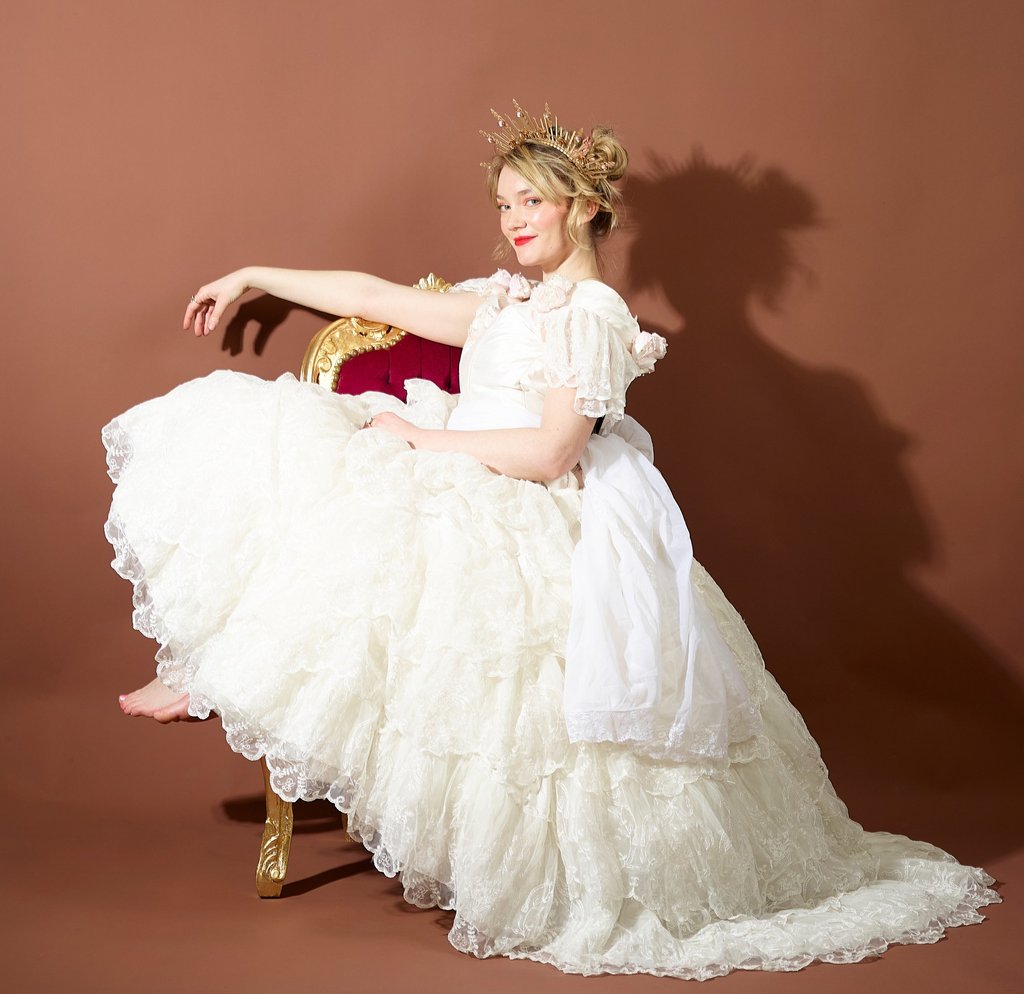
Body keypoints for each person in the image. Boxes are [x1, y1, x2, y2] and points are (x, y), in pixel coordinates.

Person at [104, 101, 999, 980]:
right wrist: (256, 273)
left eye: (533, 200)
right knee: (304, 446)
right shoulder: (513, 305)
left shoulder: (594, 313)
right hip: (467, 462)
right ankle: (210, 666)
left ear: (584, 205)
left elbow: (552, 449)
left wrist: (426, 440)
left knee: (388, 494)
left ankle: (217, 674)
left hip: (534, 492)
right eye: (504, 204)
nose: (514, 220)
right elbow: (373, 298)